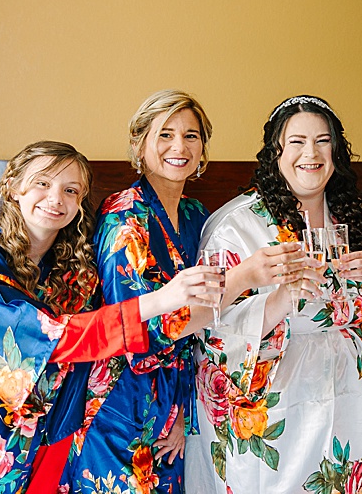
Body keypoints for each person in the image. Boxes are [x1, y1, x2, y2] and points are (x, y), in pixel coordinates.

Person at [0, 141, 218, 494]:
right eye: (43, 183)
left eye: (70, 190)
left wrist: (178, 408)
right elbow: (43, 341)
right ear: (14, 186)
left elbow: (126, 347)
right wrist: (160, 300)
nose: (55, 198)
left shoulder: (80, 275)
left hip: (39, 443)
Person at [61, 91, 302, 494]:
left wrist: (182, 413)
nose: (180, 147)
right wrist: (241, 278)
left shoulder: (195, 216)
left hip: (172, 407)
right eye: (166, 135)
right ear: (140, 144)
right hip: (120, 405)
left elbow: (212, 325)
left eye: (191, 136)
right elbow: (142, 327)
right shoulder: (124, 214)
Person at [185, 95, 362, 494]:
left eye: (323, 141)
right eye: (296, 142)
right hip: (280, 404)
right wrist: (280, 301)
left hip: (359, 392)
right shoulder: (235, 225)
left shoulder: (356, 214)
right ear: (275, 151)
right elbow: (209, 327)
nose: (311, 153)